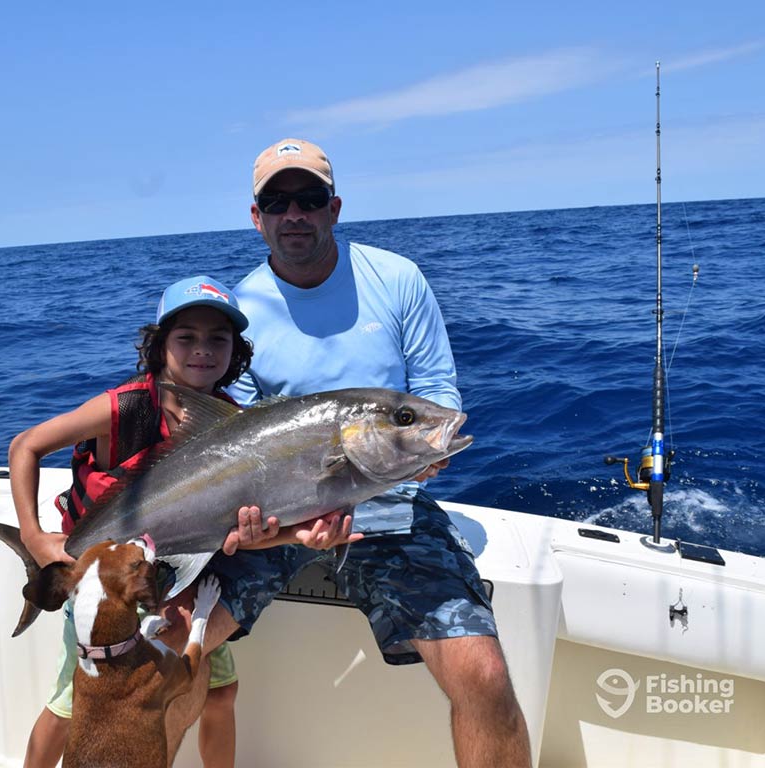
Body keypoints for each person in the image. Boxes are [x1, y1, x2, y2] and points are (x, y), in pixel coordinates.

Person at [167, 139, 533, 768]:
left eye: (309, 199)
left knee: (485, 676)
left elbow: (436, 394)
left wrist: (424, 453)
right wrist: (266, 528)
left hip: (390, 513)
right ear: (256, 217)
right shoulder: (241, 309)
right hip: (278, 523)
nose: (295, 214)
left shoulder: (396, 279)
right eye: (277, 202)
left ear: (333, 208)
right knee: (171, 655)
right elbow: (233, 430)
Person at [8, 275, 261, 768]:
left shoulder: (235, 424)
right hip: (107, 593)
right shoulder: (125, 407)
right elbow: (26, 445)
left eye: (218, 339)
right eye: (186, 337)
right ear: (160, 345)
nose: (202, 351)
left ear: (236, 350)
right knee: (69, 705)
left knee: (219, 695)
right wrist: (33, 536)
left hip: (183, 587)